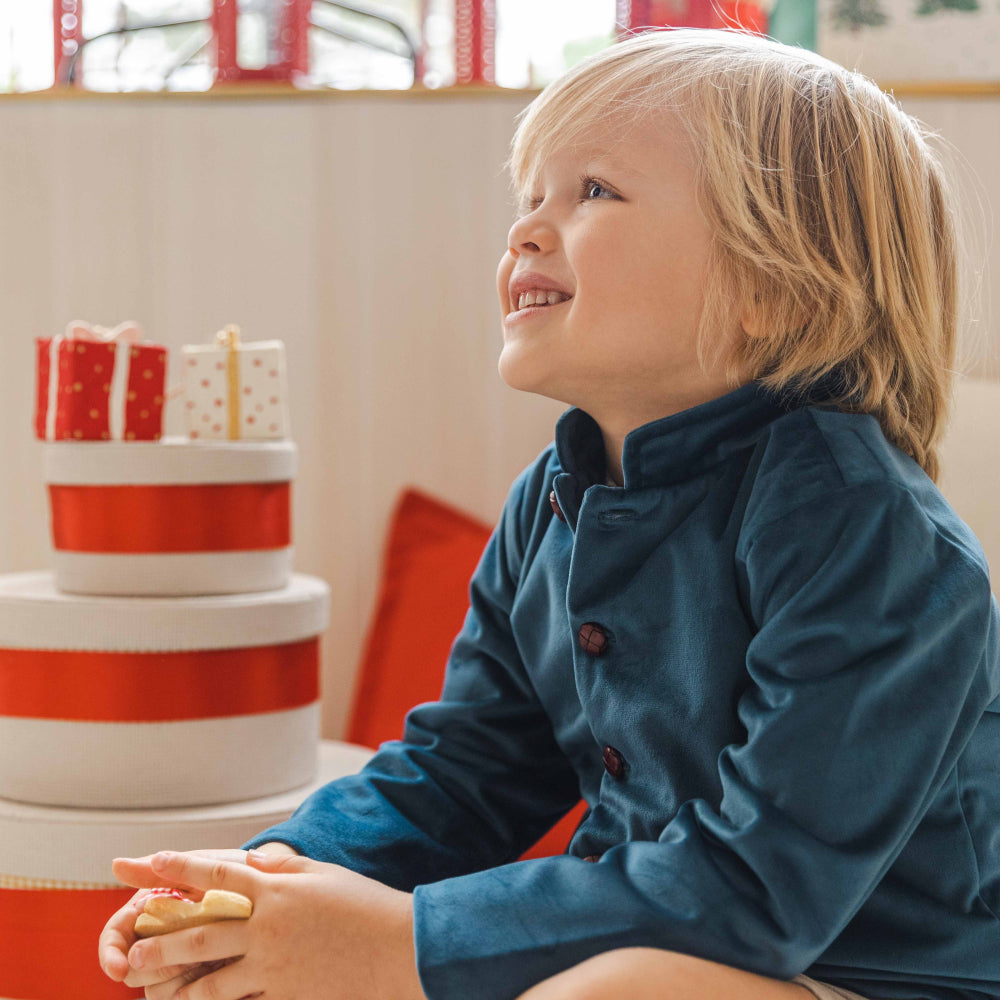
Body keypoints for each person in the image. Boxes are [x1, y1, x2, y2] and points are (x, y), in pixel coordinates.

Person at [99, 26, 1000, 1000]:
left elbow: (755, 890)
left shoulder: (868, 535)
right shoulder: (551, 502)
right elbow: (465, 768)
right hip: (632, 940)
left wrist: (402, 941)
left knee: (607, 992)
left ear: (773, 290)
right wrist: (264, 882)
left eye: (593, 192)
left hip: (863, 976)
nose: (526, 229)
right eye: (530, 197)